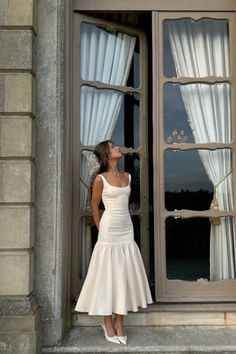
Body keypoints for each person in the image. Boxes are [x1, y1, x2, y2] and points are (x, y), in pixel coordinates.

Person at [75, 140, 152, 345]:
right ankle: (107, 320)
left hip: (126, 228)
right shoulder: (100, 179)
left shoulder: (127, 176)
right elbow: (94, 205)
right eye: (113, 146)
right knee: (107, 275)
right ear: (106, 154)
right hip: (109, 229)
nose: (118, 147)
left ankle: (120, 321)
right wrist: (101, 228)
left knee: (123, 274)